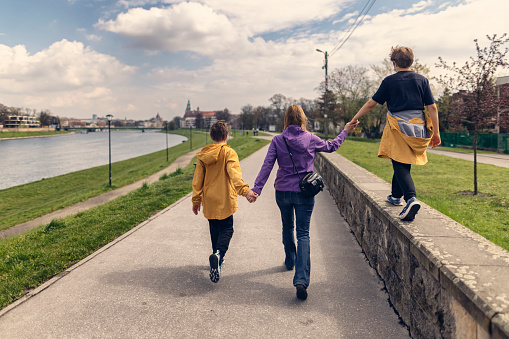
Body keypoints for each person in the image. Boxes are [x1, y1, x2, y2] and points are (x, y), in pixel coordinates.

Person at [250, 105, 358, 300]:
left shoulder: (278, 140)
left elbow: (267, 165)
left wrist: (256, 189)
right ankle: (301, 279)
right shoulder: (310, 139)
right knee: (303, 234)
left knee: (286, 226)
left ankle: (290, 260)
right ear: (302, 119)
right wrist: (345, 131)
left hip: (282, 191)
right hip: (304, 192)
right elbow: (332, 146)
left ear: (286, 120)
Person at [350, 46, 441, 221]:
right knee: (401, 159)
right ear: (412, 62)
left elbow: (371, 103)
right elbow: (432, 107)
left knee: (399, 161)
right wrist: (436, 132)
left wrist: (354, 118)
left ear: (394, 63)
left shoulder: (389, 81)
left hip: (398, 126)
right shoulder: (422, 80)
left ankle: (411, 198)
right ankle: (395, 196)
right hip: (418, 126)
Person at [192, 121, 258, 283]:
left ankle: (216, 260)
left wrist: (196, 200)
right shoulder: (229, 153)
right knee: (227, 229)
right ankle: (218, 255)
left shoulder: (203, 155)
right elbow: (234, 173)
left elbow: (197, 180)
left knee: (214, 229)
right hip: (225, 199)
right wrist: (246, 191)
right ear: (226, 136)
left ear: (211, 136)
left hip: (209, 199)